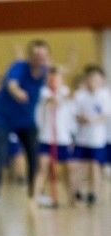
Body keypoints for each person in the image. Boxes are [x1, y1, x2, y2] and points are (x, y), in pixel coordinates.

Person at [0, 39, 50, 207]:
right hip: (3, 118)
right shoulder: (19, 67)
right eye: (36, 55)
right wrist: (17, 92)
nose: (39, 58)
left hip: (26, 121)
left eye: (43, 55)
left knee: (34, 157)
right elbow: (11, 84)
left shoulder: (45, 72)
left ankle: (35, 192)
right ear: (30, 56)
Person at [32, 67, 75, 207]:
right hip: (46, 137)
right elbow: (49, 100)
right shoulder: (43, 92)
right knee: (42, 168)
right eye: (50, 79)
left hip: (63, 138)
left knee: (68, 170)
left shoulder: (65, 92)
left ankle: (72, 198)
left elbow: (66, 103)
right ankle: (35, 198)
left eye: (56, 79)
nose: (53, 82)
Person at [72, 65, 110, 206]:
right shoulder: (80, 95)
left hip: (97, 138)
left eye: (95, 79)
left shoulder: (104, 95)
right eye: (90, 79)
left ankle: (93, 193)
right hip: (82, 137)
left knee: (95, 165)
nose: (92, 82)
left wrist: (92, 121)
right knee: (79, 165)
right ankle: (77, 190)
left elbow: (105, 115)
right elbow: (74, 113)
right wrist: (82, 118)